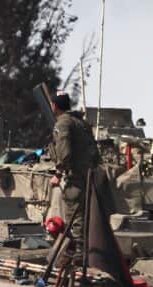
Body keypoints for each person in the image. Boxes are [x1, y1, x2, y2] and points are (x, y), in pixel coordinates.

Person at [49, 91, 100, 246]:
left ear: (55, 106)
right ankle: (85, 250)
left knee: (75, 215)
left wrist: (58, 173)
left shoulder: (63, 123)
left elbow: (64, 152)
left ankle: (78, 253)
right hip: (89, 175)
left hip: (76, 177)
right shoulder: (81, 123)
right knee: (85, 214)